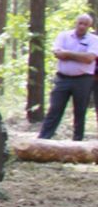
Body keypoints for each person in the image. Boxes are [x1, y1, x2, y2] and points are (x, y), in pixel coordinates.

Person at [38, 12, 98, 141]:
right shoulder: (63, 36)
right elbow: (58, 54)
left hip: (83, 79)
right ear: (76, 22)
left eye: (85, 24)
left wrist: (68, 54)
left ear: (89, 26)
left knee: (80, 111)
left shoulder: (94, 40)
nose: (82, 26)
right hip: (63, 78)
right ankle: (43, 138)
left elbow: (89, 58)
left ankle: (77, 140)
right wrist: (78, 56)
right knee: (55, 108)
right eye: (80, 23)